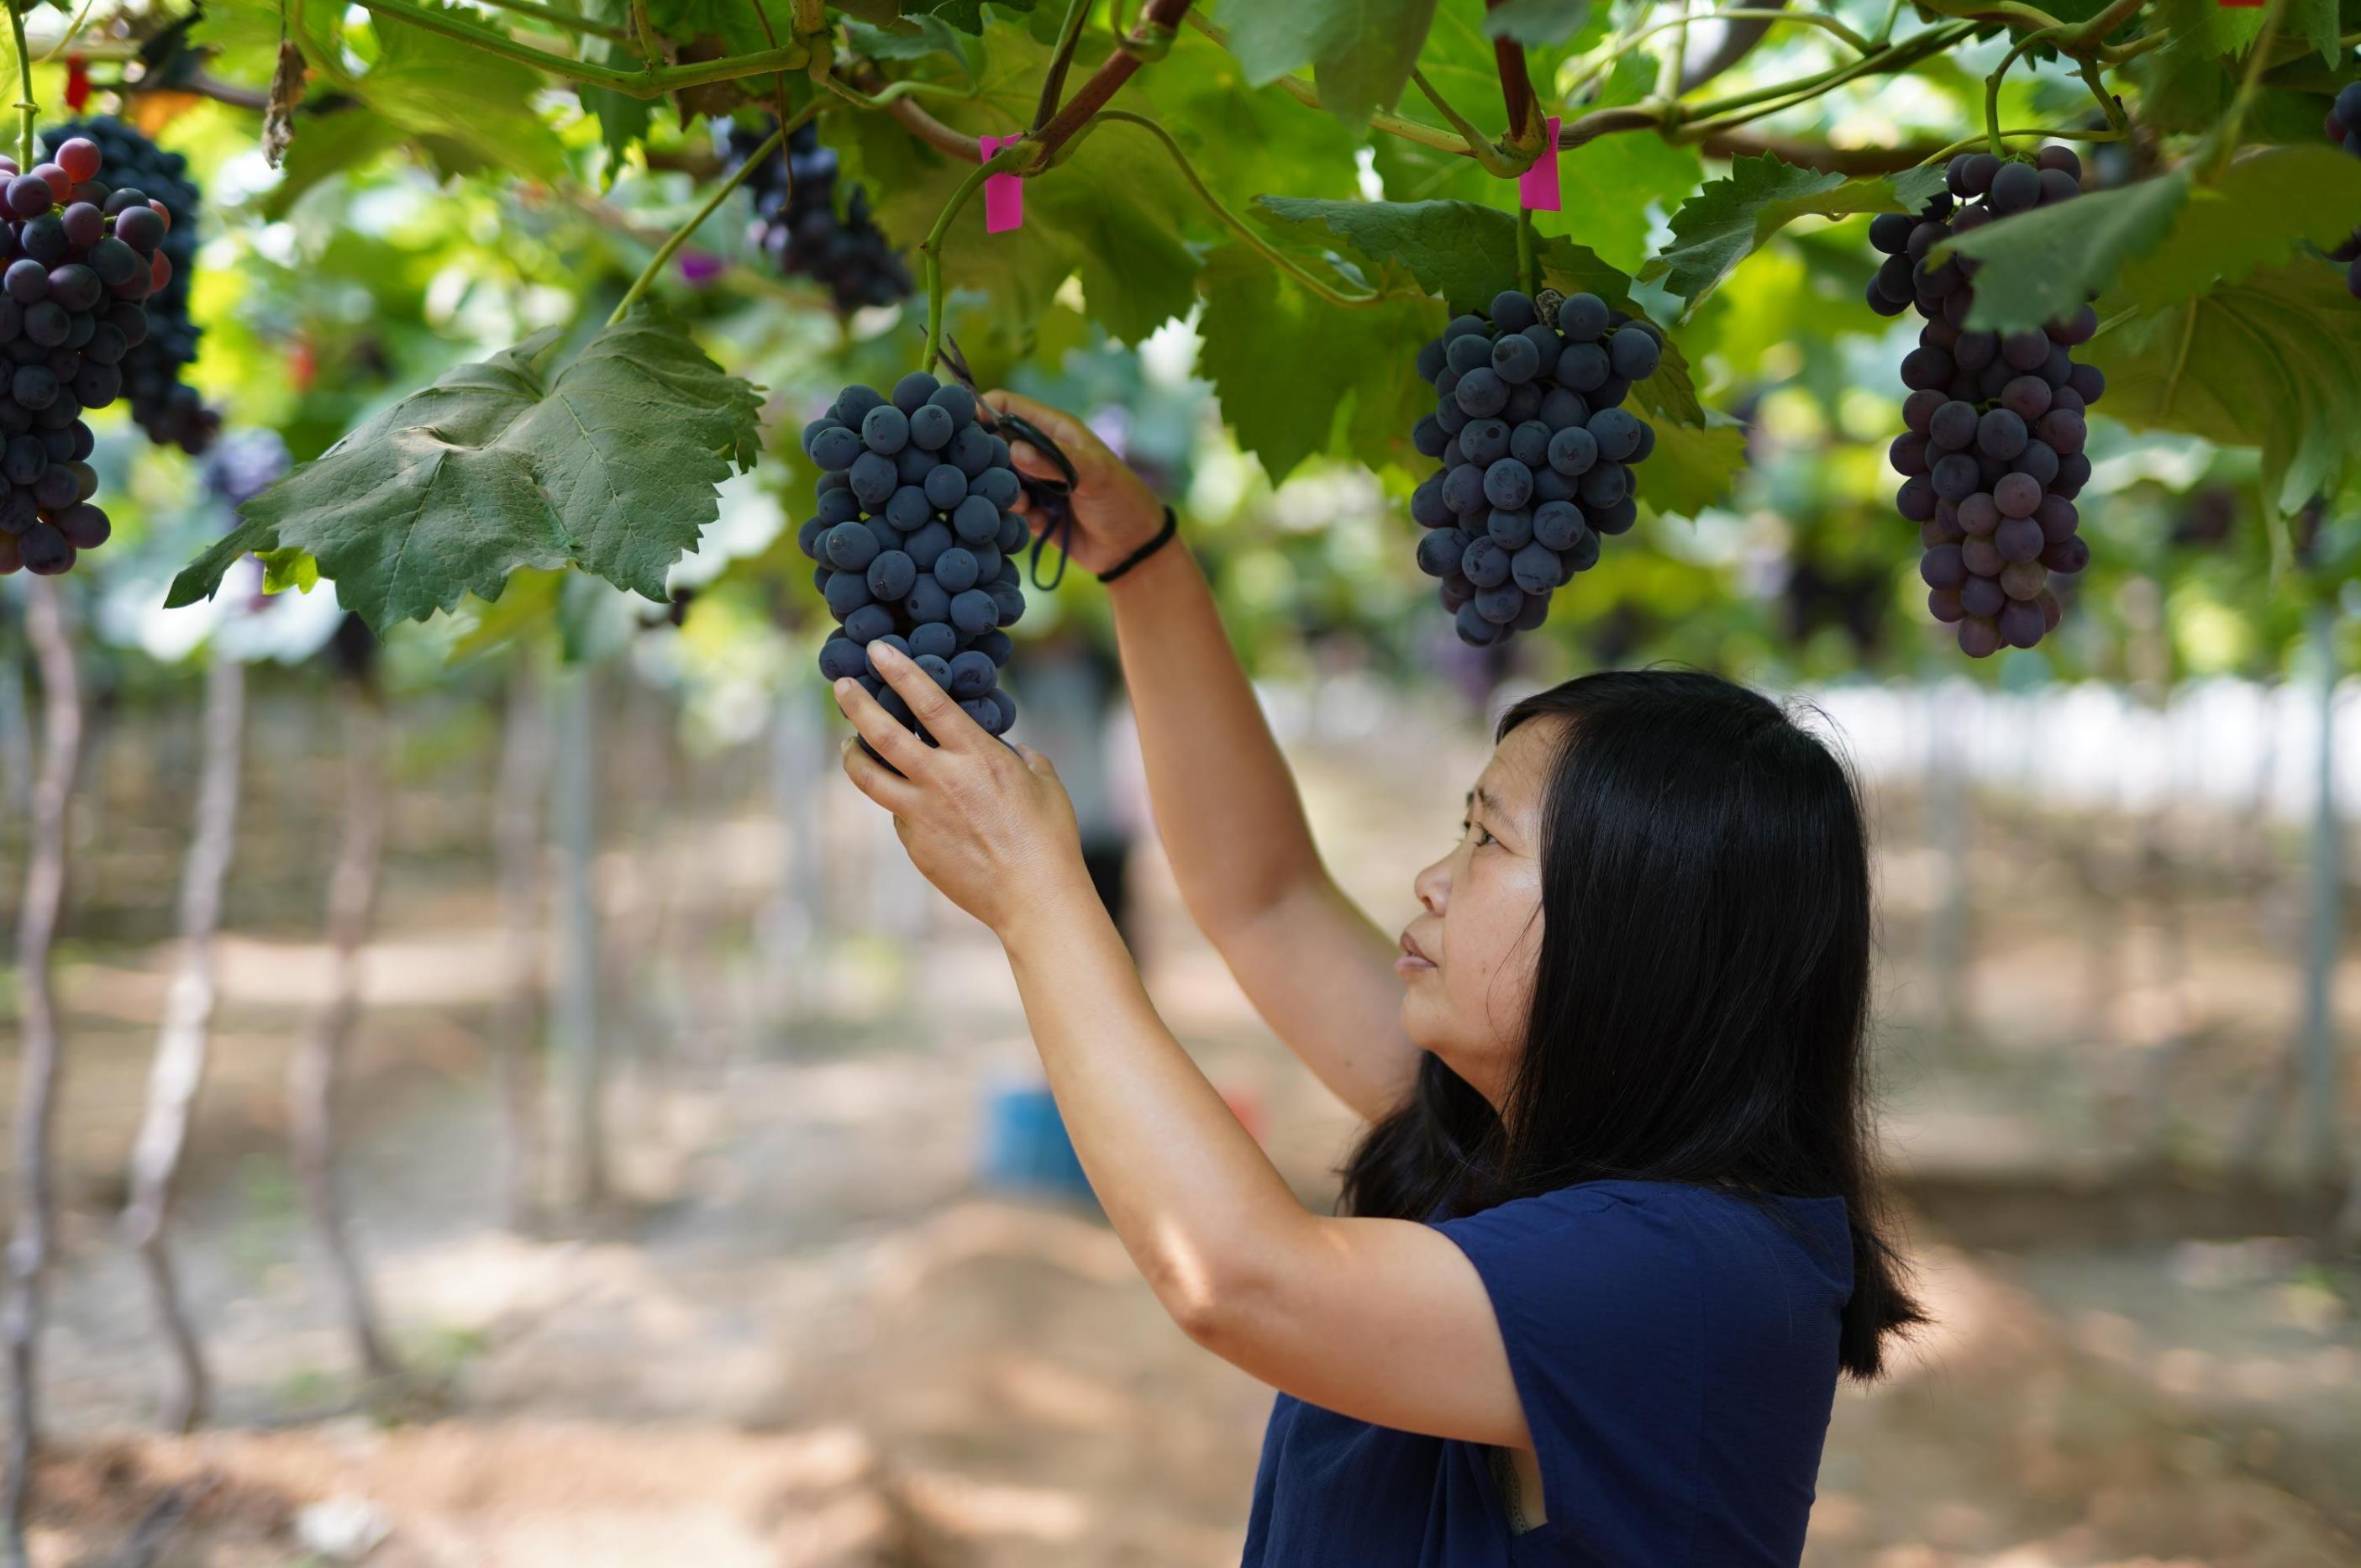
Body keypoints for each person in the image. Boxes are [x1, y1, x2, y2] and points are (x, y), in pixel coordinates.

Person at [826, 390, 1927, 1568]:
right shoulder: (1519, 1139)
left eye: (1490, 842)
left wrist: (1039, 898)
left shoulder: (1691, 1274)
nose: (1432, 878)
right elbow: (1265, 896)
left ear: (1638, 931)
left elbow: (1239, 1280)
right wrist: (1141, 559)